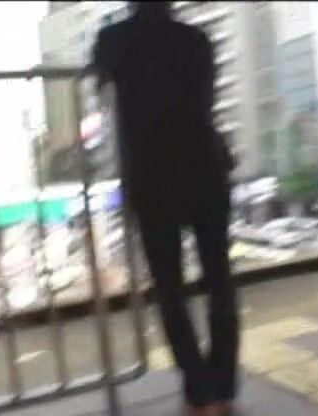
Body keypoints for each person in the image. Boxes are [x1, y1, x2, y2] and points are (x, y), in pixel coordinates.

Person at [92, 3, 239, 415]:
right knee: (219, 279)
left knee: (170, 288)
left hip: (151, 177)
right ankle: (224, 386)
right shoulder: (196, 39)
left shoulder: (113, 40)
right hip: (204, 166)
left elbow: (100, 82)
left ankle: (198, 390)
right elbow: (204, 100)